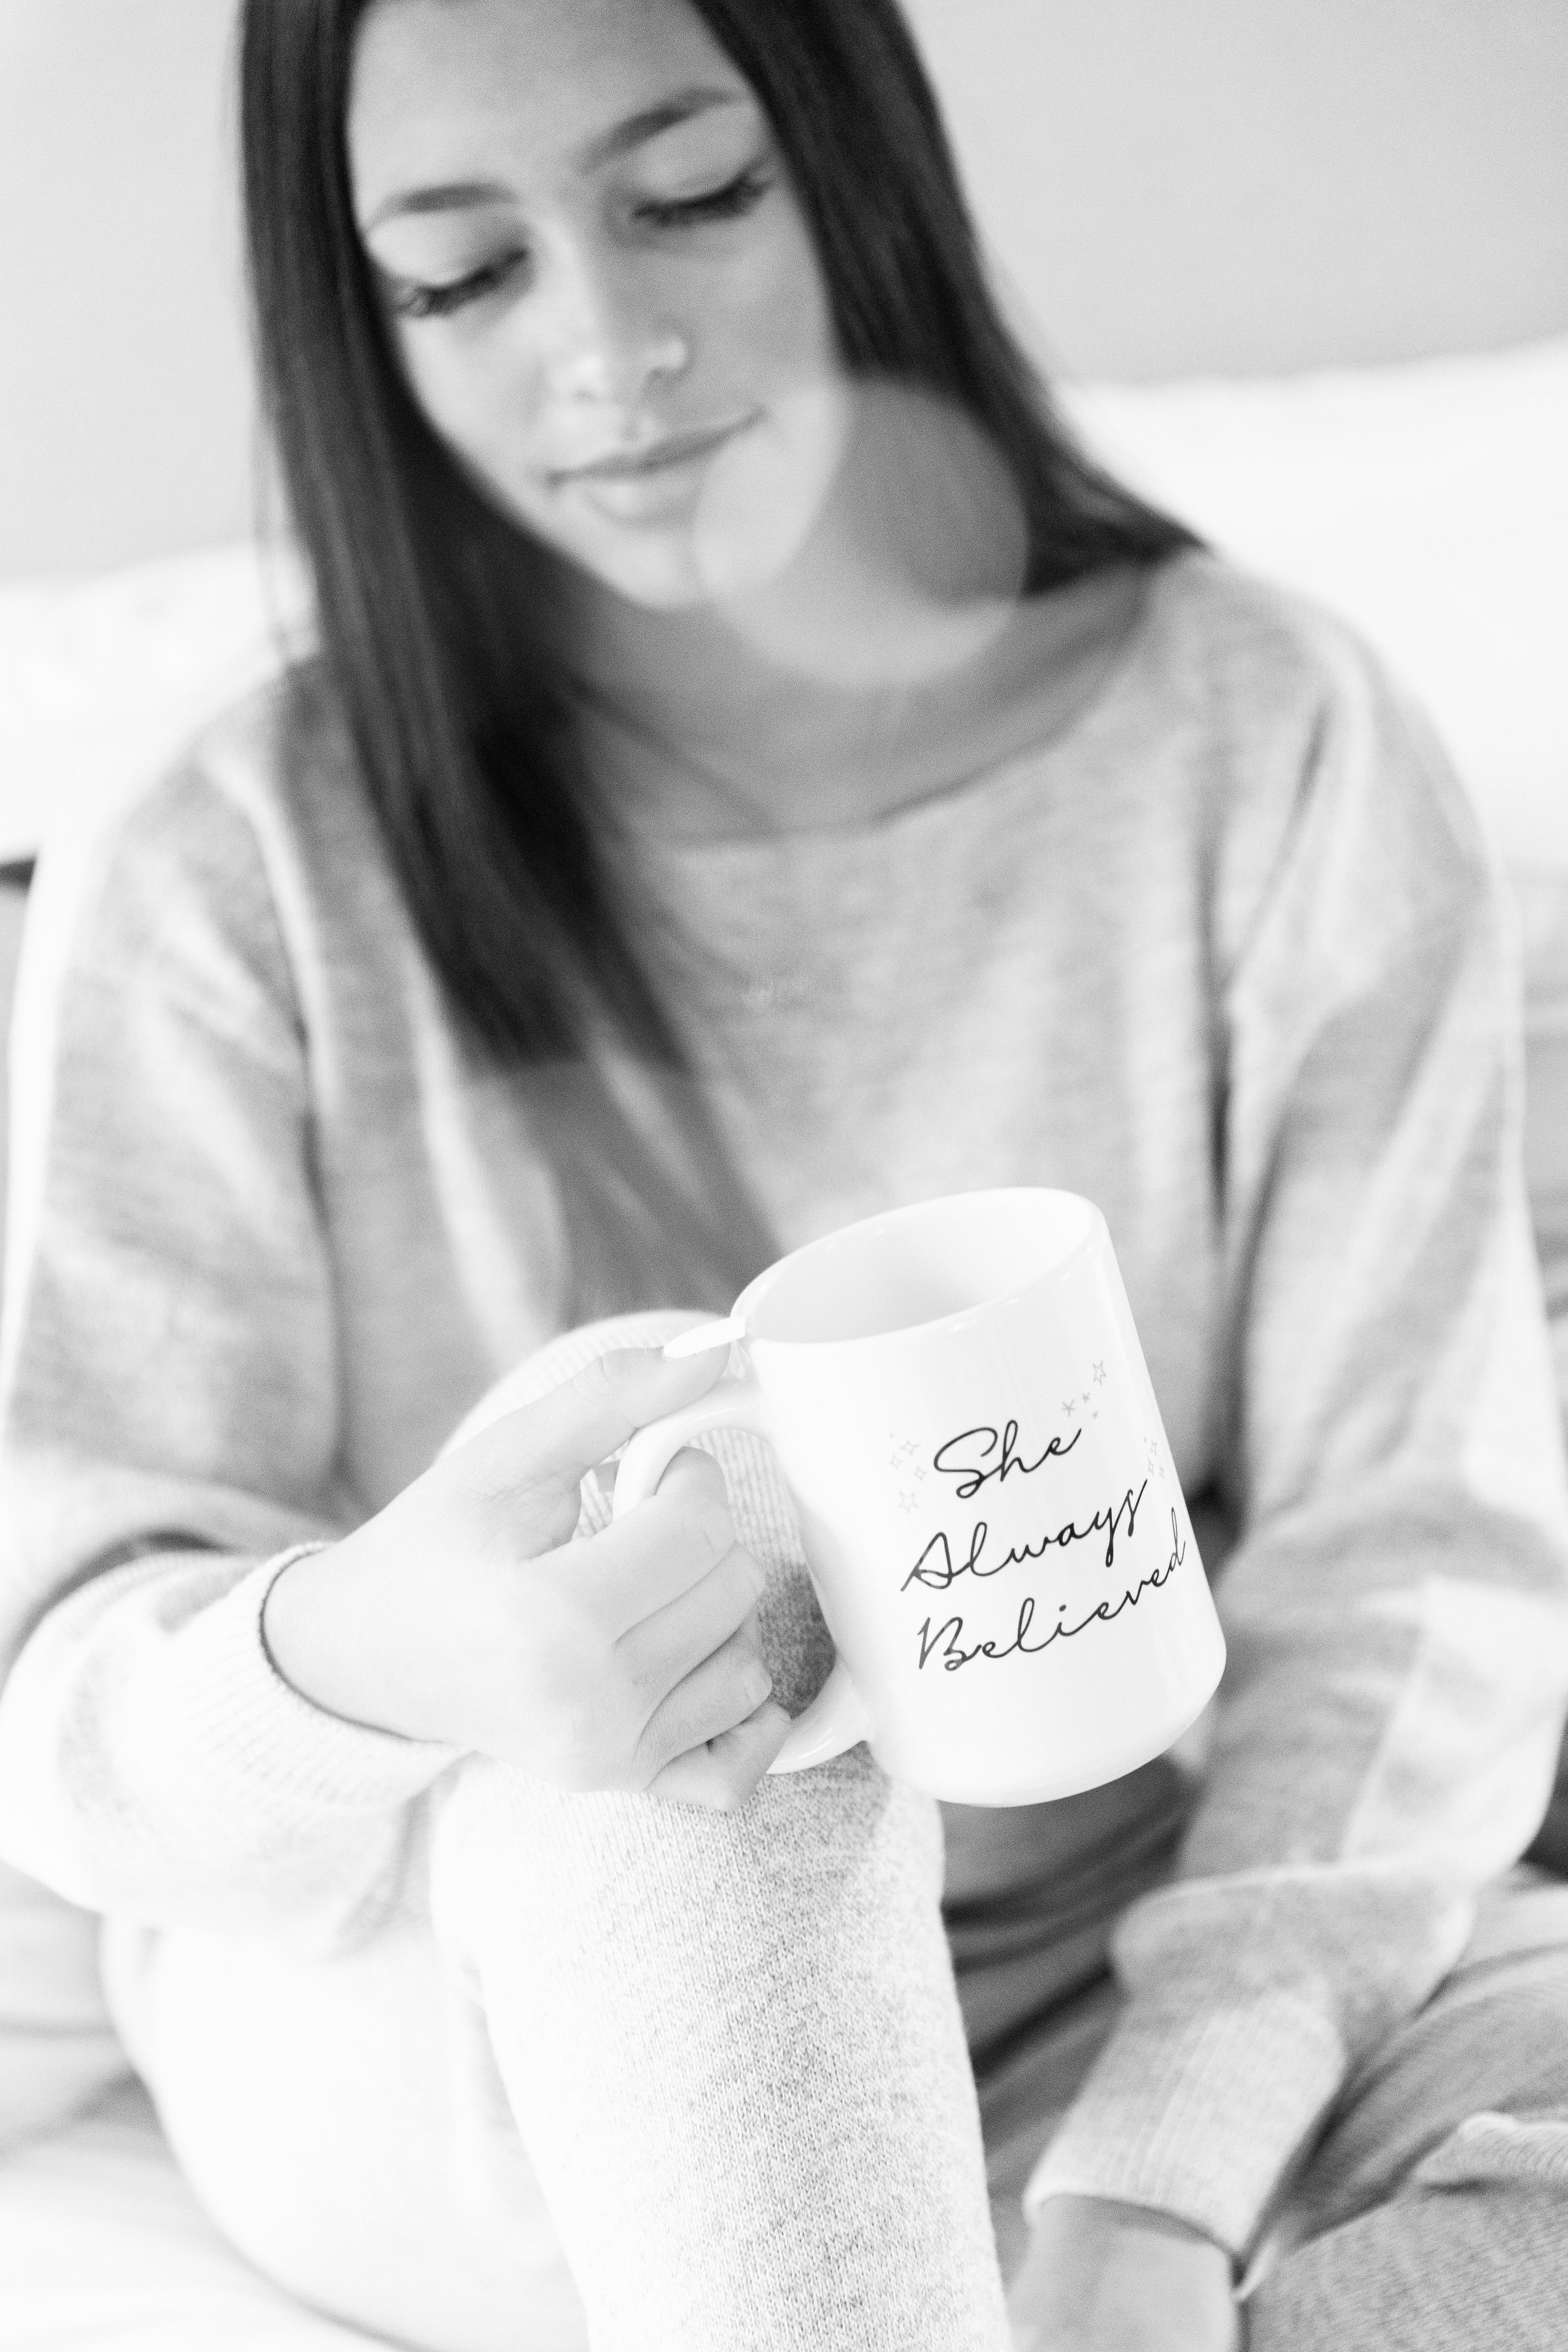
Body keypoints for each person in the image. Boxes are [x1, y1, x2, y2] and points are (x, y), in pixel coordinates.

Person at [2, 1, 1567, 2345]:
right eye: (460, 275)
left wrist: (1147, 2200)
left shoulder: (1273, 739)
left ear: (849, 165)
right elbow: (63, 1701)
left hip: (1134, 1963)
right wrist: (371, 1650)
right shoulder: (238, 863)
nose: (607, 350)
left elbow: (1412, 1562)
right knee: (706, 1537)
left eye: (689, 198)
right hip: (492, 2009)